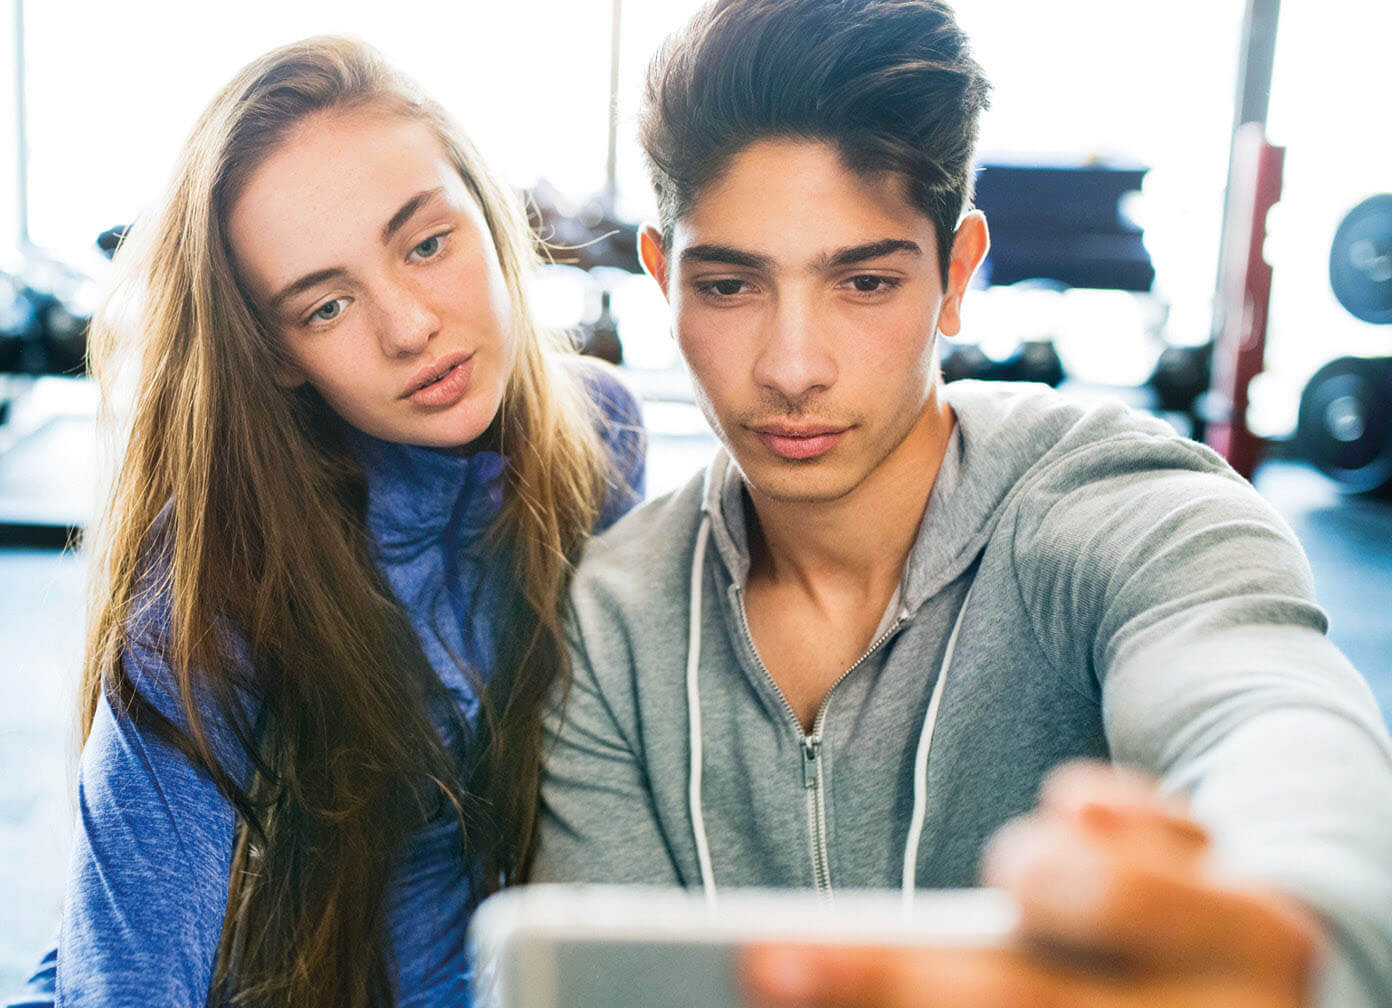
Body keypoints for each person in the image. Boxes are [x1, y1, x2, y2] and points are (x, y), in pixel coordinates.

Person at [533, 1, 1392, 1005]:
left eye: (863, 282)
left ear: (956, 274)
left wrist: (1303, 938)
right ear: (660, 275)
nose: (793, 367)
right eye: (729, 286)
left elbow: (1269, 718)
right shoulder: (609, 622)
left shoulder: (1125, 512)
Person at [1, 36, 645, 1008]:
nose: (408, 326)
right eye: (328, 305)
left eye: (427, 244)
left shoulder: (600, 432)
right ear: (279, 357)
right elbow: (116, 979)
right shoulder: (211, 597)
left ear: (488, 208)